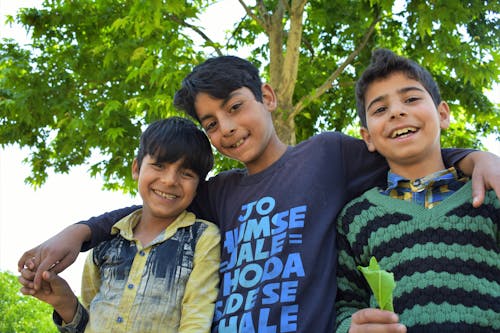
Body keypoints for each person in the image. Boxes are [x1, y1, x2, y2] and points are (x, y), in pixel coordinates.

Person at [19, 56, 500, 333]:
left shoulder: (329, 155)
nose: (227, 128)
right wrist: (78, 232)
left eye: (235, 107)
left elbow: (408, 149)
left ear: (267, 97)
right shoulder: (218, 193)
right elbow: (155, 203)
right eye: (212, 123)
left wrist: (475, 158)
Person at [335, 49, 500, 333]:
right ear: (367, 137)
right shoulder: (355, 218)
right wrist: (349, 328)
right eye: (380, 109)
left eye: (411, 99)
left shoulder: (491, 194)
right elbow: (343, 304)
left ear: (443, 114)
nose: (397, 111)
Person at [20, 117, 221, 332]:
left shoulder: (203, 238)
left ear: (199, 186)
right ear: (136, 168)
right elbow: (89, 325)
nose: (170, 180)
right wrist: (65, 303)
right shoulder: (104, 244)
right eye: (159, 165)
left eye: (186, 173)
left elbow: (196, 324)